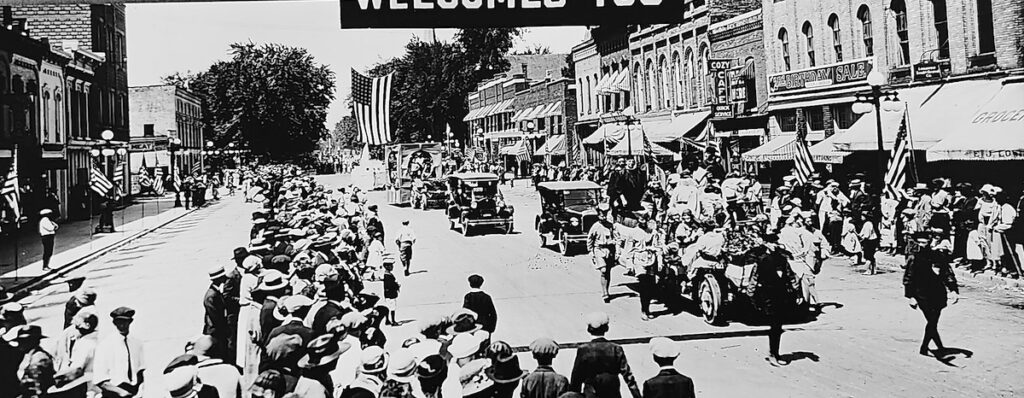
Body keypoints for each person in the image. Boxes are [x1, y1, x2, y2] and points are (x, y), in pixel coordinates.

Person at [904, 230, 960, 357]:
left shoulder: (938, 256)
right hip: (921, 294)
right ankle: (932, 348)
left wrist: (954, 290)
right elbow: (908, 277)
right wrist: (911, 296)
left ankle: (927, 348)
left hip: (937, 292)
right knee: (932, 320)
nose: (922, 245)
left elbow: (947, 273)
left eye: (925, 242)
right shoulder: (914, 258)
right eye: (920, 242)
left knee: (933, 320)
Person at [569, 312, 641, 398]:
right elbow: (628, 375)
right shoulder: (615, 348)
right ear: (607, 328)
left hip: (591, 393)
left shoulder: (583, 349)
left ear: (589, 329)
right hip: (612, 392)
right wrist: (637, 395)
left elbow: (576, 377)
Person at [93, 307, 145, 398]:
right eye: (118, 323)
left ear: (130, 322)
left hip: (133, 392)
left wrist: (140, 391)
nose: (122, 326)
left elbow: (140, 371)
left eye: (125, 322)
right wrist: (121, 392)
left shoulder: (137, 343)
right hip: (114, 393)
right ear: (114, 323)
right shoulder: (105, 346)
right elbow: (100, 380)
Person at [50, 310, 99, 398]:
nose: (75, 329)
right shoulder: (96, 339)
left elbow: (76, 369)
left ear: (86, 326)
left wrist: (58, 379)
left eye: (77, 326)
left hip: (86, 385)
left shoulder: (86, 344)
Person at [9, 325, 55, 398]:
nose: (20, 344)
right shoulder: (28, 356)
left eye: (23, 341)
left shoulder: (39, 358)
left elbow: (39, 387)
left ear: (33, 341)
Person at [587, 203, 618, 303]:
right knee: (603, 270)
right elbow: (590, 239)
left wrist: (616, 247)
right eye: (601, 215)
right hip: (598, 249)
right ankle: (604, 292)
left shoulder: (610, 226)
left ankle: (606, 291)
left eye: (605, 215)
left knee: (608, 271)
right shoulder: (595, 227)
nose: (603, 217)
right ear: (598, 215)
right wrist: (591, 252)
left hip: (609, 250)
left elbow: (616, 237)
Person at [203, 266, 231, 361]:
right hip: (214, 330)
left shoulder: (215, 292)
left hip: (216, 329)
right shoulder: (211, 296)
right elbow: (215, 317)